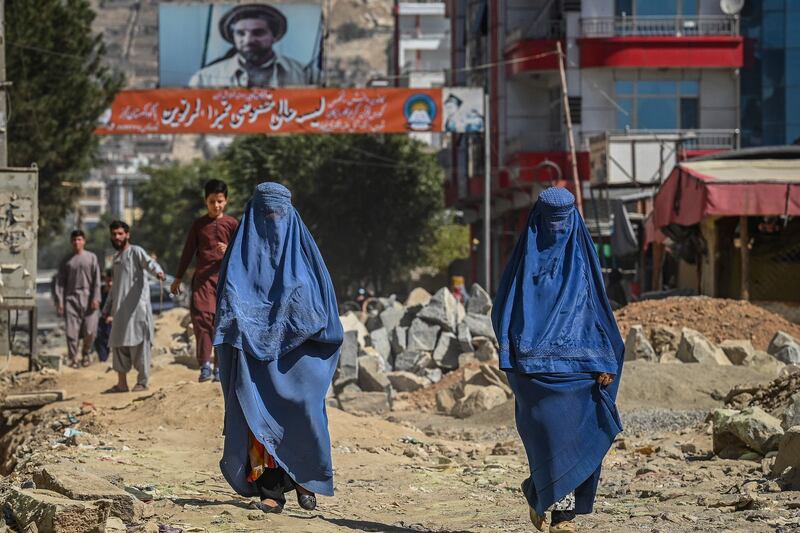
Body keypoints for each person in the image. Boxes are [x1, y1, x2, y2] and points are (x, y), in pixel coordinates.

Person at [492, 187, 624, 533]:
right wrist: (513, 353)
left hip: (578, 368)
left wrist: (605, 361)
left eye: (563, 219)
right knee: (547, 437)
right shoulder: (525, 263)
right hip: (532, 369)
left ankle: (557, 511)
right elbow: (503, 312)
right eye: (552, 219)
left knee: (575, 435)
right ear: (538, 218)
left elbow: (598, 313)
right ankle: (547, 498)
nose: (557, 227)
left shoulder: (581, 260)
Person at [214, 182, 343, 514]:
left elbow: (323, 305)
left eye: (278, 213)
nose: (273, 221)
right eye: (265, 214)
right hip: (254, 356)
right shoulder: (239, 254)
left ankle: (305, 480)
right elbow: (229, 298)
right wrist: (245, 321)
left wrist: (293, 314)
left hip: (299, 355)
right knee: (259, 419)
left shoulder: (304, 251)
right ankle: (271, 489)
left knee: (306, 412)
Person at [171, 179, 239, 383]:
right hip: (202, 281)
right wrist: (178, 276)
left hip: (225, 281)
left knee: (221, 322)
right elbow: (188, 252)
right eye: (212, 201)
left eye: (219, 201)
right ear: (205, 201)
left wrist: (229, 251)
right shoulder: (199, 225)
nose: (216, 205)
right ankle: (205, 365)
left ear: (226, 201)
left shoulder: (233, 224)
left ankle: (220, 367)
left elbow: (244, 253)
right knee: (202, 321)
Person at [189, 4, 319, 88]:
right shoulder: (204, 79)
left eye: (258, 33)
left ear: (274, 36)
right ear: (233, 37)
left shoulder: (307, 75)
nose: (248, 40)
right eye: (240, 33)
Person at [102, 220, 166, 393]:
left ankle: (142, 382)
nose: (117, 237)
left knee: (140, 345)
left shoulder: (136, 252)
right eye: (114, 234)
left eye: (120, 233)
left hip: (138, 310)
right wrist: (107, 308)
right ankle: (121, 383)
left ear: (127, 235)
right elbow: (115, 288)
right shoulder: (115, 258)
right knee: (118, 345)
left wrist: (158, 272)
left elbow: (150, 264)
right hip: (120, 312)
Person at [54, 230, 102, 369]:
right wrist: (60, 302)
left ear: (84, 241)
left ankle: (86, 353)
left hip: (89, 298)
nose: (77, 242)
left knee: (90, 330)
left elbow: (97, 280)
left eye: (79, 239)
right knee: (71, 332)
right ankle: (73, 358)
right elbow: (60, 283)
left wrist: (96, 298)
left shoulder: (92, 258)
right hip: (71, 299)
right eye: (74, 240)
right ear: (71, 242)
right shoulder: (67, 261)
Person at [94, 268, 114, 363]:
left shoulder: (120, 292)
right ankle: (103, 360)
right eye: (108, 280)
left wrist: (113, 317)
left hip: (117, 321)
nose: (110, 283)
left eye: (112, 280)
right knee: (98, 335)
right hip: (103, 321)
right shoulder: (101, 292)